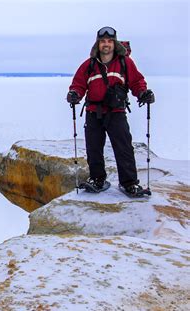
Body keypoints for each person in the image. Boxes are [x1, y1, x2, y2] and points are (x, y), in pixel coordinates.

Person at [67, 26, 155, 196]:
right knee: (93, 148)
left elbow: (136, 82)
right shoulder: (89, 65)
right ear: (97, 44)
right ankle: (97, 179)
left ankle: (129, 183)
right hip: (93, 112)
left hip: (116, 112)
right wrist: (74, 95)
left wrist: (143, 93)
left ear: (114, 43)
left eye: (109, 41)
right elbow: (78, 84)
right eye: (102, 42)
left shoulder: (125, 62)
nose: (106, 44)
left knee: (123, 147)